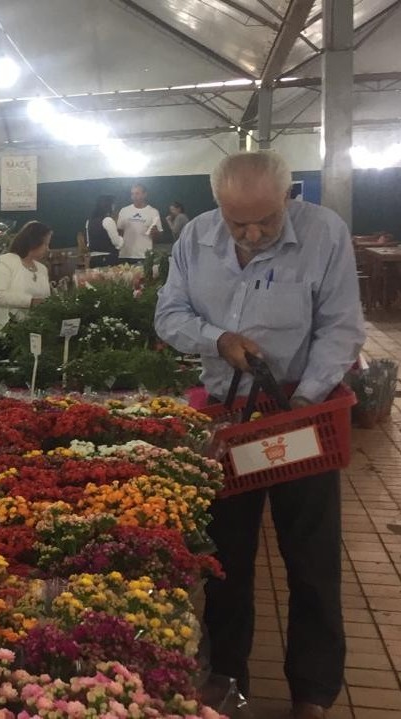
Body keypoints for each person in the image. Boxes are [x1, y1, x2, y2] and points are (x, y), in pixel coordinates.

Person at [154, 151, 365, 719]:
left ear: (289, 197)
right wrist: (218, 338)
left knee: (312, 560)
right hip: (228, 421)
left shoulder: (325, 233)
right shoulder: (195, 239)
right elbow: (168, 314)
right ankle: (228, 685)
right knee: (225, 561)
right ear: (217, 205)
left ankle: (313, 694)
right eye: (237, 221)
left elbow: (342, 325)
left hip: (306, 417)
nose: (251, 233)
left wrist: (301, 403)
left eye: (266, 221)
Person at [0, 220, 52, 348]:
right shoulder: (6, 261)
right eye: (45, 244)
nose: (48, 248)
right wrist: (31, 301)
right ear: (33, 243)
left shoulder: (42, 269)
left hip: (31, 329)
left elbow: (46, 298)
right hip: (4, 328)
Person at [116, 184, 163, 261]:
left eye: (137, 193)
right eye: (132, 194)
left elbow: (159, 235)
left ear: (145, 194)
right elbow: (119, 232)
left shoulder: (153, 212)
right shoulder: (124, 211)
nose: (134, 196)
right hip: (126, 255)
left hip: (145, 255)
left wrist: (155, 233)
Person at [86, 195, 123, 267]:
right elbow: (117, 243)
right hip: (108, 259)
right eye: (113, 204)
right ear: (109, 205)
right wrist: (121, 238)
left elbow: (88, 243)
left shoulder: (89, 221)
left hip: (93, 260)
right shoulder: (108, 220)